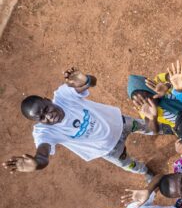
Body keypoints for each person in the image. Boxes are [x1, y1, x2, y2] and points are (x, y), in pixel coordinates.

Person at [4, 68, 152, 180]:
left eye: (46, 108)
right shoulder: (43, 133)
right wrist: (37, 163)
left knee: (146, 126)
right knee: (128, 164)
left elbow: (91, 82)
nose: (49, 115)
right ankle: (145, 171)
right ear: (38, 122)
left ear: (47, 99)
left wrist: (85, 80)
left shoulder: (62, 95)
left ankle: (162, 128)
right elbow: (43, 154)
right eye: (42, 117)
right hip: (108, 150)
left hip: (119, 123)